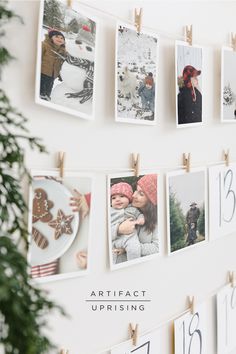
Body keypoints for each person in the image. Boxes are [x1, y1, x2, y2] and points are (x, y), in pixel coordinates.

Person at [112, 174, 158, 264]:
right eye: (136, 190)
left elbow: (157, 248)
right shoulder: (121, 208)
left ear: (150, 201)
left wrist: (128, 248)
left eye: (141, 194)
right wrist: (118, 230)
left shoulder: (156, 222)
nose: (133, 195)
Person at [110, 182, 145, 263]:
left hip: (130, 237)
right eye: (113, 198)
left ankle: (133, 265)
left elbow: (139, 215)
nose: (117, 199)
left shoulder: (132, 209)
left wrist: (140, 220)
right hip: (114, 238)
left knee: (134, 249)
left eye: (122, 196)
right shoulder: (110, 211)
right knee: (112, 253)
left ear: (129, 199)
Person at [40, 29, 66, 101]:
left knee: (47, 94)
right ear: (51, 37)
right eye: (57, 36)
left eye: (62, 38)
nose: (59, 39)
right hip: (42, 73)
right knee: (40, 92)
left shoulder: (63, 51)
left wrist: (61, 76)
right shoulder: (44, 45)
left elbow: (62, 65)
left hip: (52, 77)